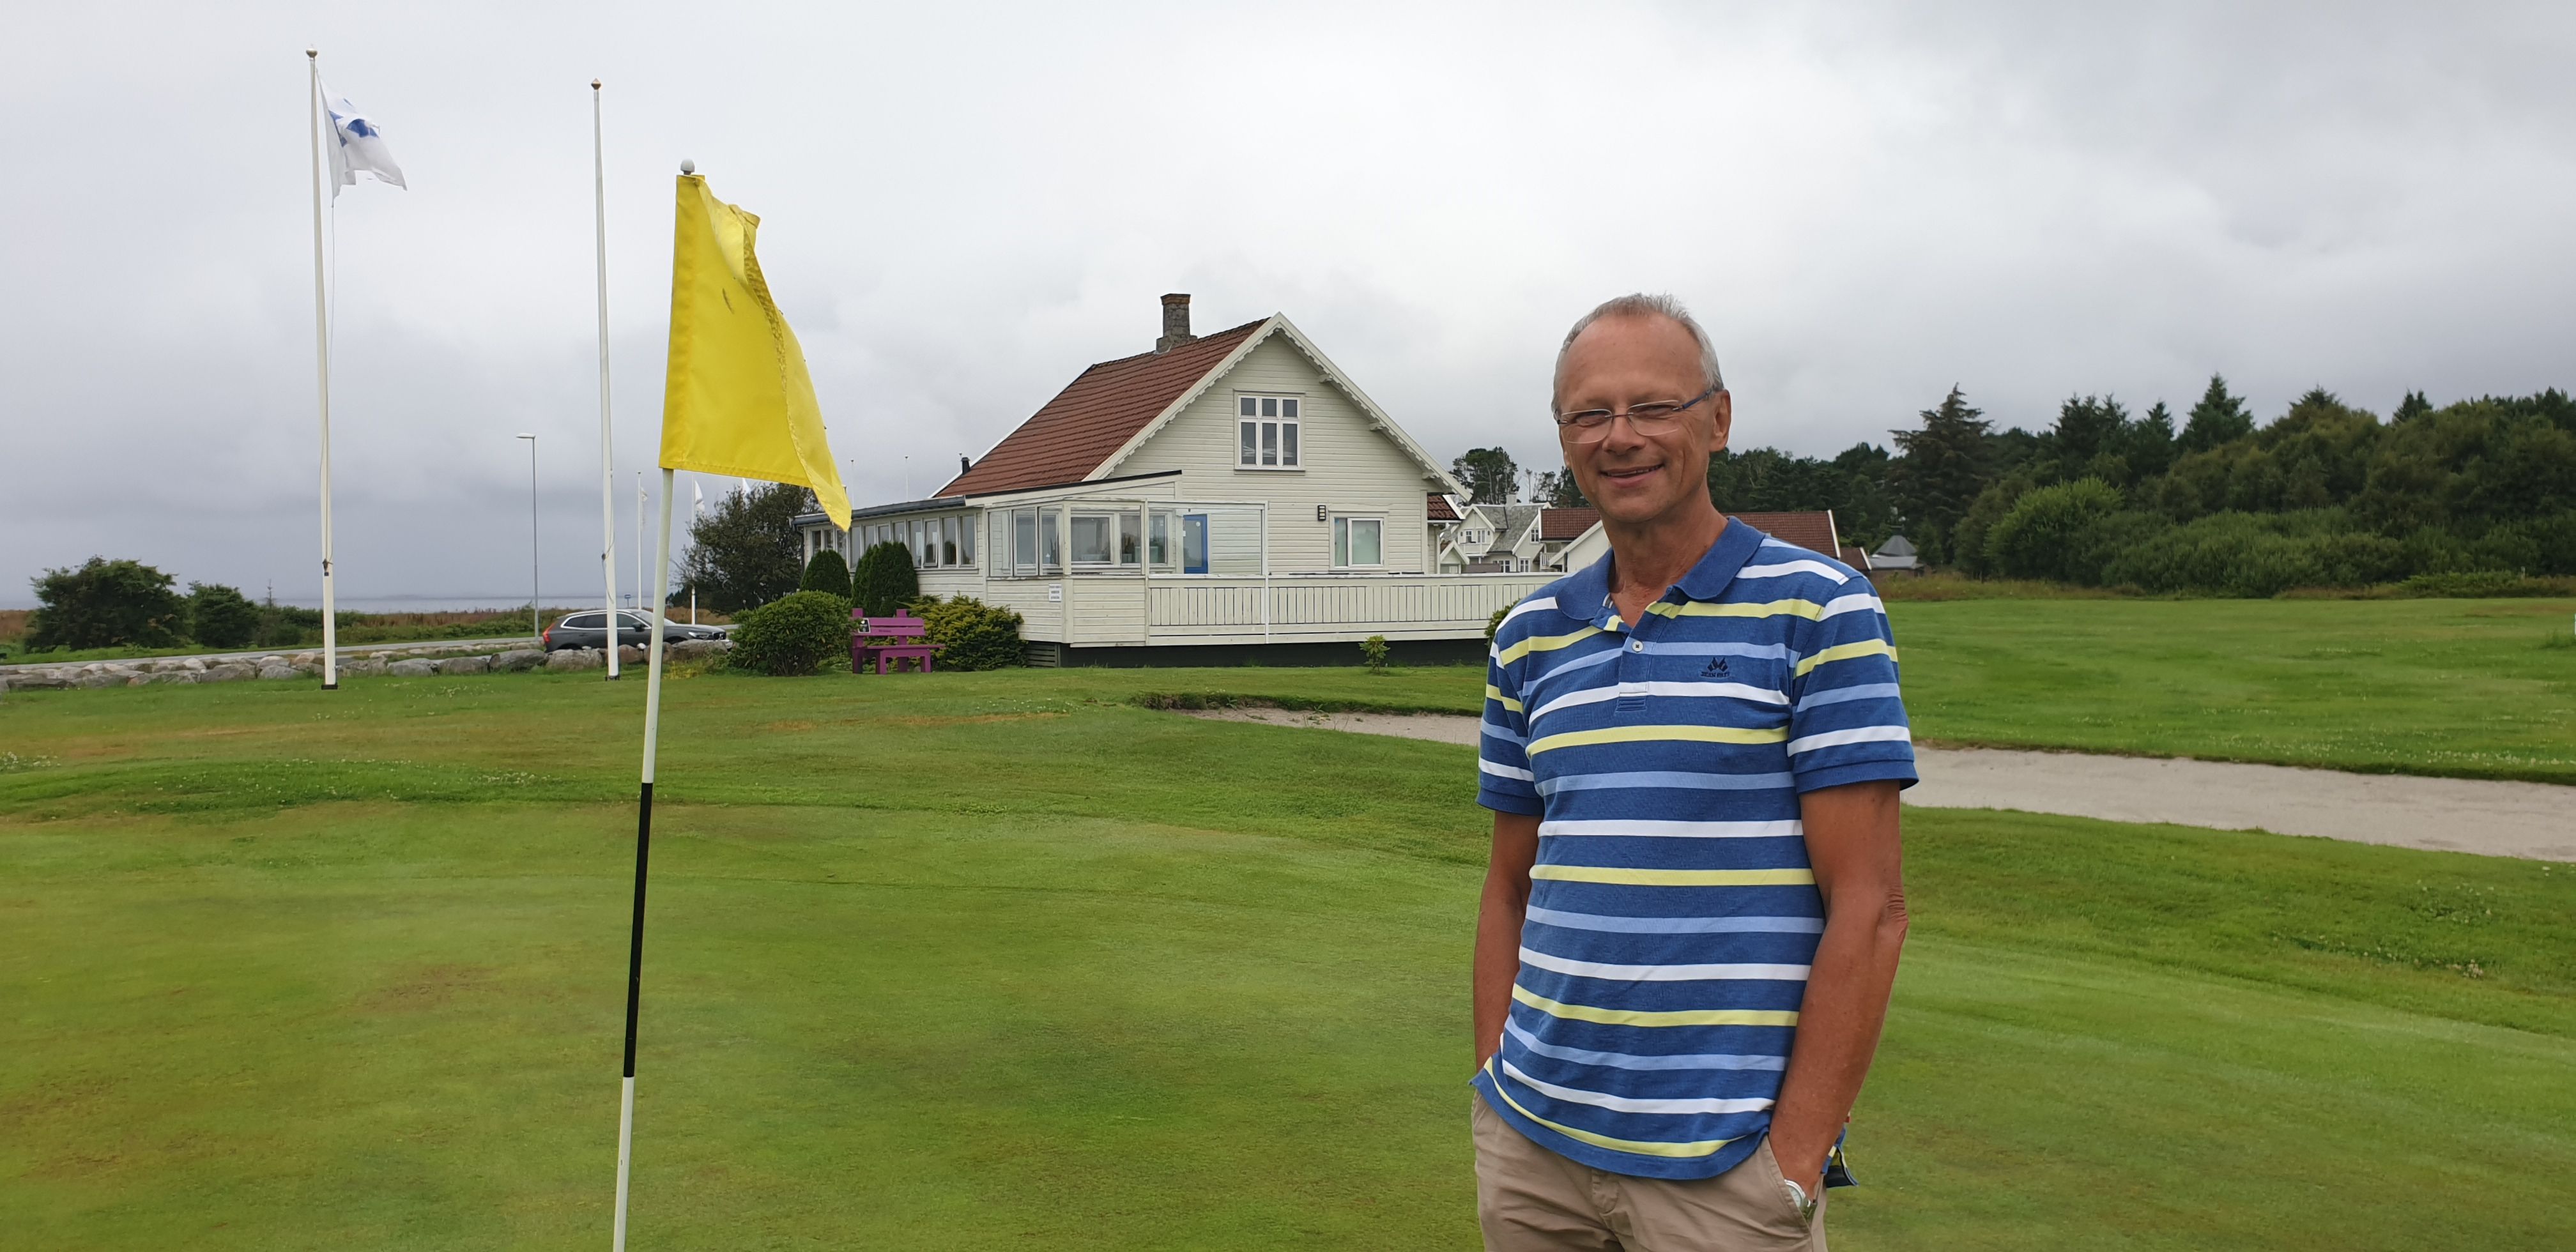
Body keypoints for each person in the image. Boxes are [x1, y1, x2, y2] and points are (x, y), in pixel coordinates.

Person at [1471, 294, 1914, 1250]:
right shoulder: (1529, 638)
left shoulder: (1819, 610)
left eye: (1653, 407)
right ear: (1564, 436)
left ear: (1717, 420)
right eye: (1591, 414)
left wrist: (1793, 1160)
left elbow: (1871, 906)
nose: (1620, 437)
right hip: (1534, 1152)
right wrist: (1493, 1086)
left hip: (1726, 1172)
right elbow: (1510, 886)